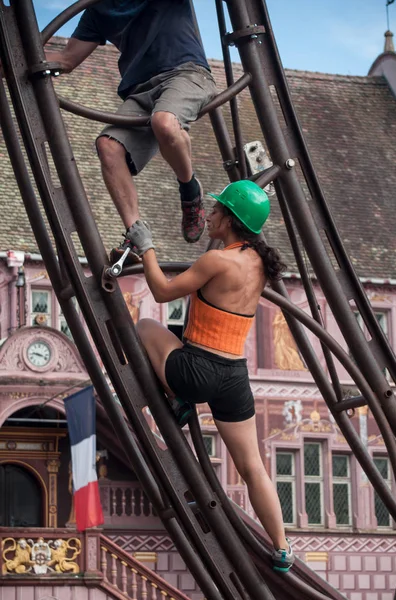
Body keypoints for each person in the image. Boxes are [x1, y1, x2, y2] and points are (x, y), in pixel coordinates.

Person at [127, 179, 295, 573]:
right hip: (234, 378)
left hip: (196, 370)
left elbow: (163, 291)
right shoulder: (258, 264)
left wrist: (146, 246)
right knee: (253, 466)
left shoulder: (217, 260)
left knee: (146, 329)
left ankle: (177, 397)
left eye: (217, 210)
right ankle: (283, 547)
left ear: (231, 221)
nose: (211, 214)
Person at [45, 0, 217, 264]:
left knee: (165, 122)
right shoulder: (98, 10)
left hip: (186, 74)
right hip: (140, 91)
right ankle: (137, 236)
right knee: (108, 146)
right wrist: (15, 62)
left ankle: (190, 191)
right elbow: (67, 59)